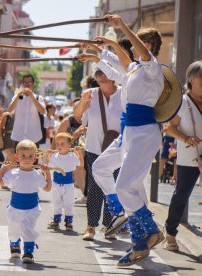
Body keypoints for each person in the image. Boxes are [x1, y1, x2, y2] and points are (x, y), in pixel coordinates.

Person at [86, 15, 165, 266]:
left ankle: (149, 231)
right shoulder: (135, 70)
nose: (131, 48)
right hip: (130, 132)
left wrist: (121, 29)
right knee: (108, 173)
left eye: (138, 44)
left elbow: (134, 53)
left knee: (124, 186)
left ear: (148, 46)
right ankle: (139, 240)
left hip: (144, 133)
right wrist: (105, 46)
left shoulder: (153, 68)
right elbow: (122, 61)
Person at [71, 68, 123, 241]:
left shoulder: (125, 94)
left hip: (117, 149)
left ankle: (109, 225)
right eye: (98, 73)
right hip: (94, 147)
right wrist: (82, 103)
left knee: (113, 187)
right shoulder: (90, 94)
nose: (102, 75)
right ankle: (91, 226)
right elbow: (78, 117)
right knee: (94, 188)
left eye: (106, 72)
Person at [164, 60, 202, 251]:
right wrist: (186, 138)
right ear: (191, 78)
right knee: (182, 195)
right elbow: (169, 128)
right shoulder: (182, 102)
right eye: (200, 76)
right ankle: (170, 233)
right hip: (189, 157)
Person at [0, 139, 52, 264]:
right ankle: (14, 244)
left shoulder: (37, 174)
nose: (27, 159)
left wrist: (47, 173)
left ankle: (28, 252)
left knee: (27, 229)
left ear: (35, 157)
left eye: (30, 156)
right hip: (14, 209)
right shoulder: (12, 173)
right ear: (16, 157)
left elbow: (47, 188)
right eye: (23, 156)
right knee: (13, 230)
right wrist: (3, 169)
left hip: (32, 209)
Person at [46, 133, 83, 231]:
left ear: (69, 145)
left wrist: (79, 153)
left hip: (69, 184)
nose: (59, 146)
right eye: (57, 144)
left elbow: (81, 165)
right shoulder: (54, 156)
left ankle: (68, 222)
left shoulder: (72, 156)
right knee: (56, 202)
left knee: (69, 203)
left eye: (62, 144)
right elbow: (47, 166)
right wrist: (48, 155)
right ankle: (56, 221)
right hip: (56, 184)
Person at [9, 74, 45, 145]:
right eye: (25, 82)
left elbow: (42, 111)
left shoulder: (38, 98)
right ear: (22, 84)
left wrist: (32, 96)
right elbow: (10, 109)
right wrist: (18, 96)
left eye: (29, 82)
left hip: (34, 136)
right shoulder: (17, 97)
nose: (27, 84)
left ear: (33, 84)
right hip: (18, 135)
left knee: (34, 156)